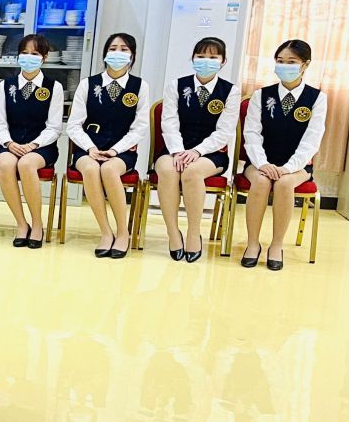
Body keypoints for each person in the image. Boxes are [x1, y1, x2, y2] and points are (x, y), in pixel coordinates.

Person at [242, 39, 325, 270]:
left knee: (284, 184)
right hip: (260, 162)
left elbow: (312, 140)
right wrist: (263, 163)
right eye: (280, 61)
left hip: (297, 166)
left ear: (305, 64)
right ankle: (252, 243)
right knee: (261, 182)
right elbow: (252, 134)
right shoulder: (261, 95)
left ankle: (276, 245)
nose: (284, 66)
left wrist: (288, 168)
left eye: (291, 62)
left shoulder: (317, 98)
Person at [155, 36, 240, 262]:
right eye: (201, 56)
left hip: (211, 153)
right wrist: (178, 150)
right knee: (168, 170)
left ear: (223, 61)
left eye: (213, 57)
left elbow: (224, 131)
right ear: (192, 58)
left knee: (192, 172)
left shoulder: (230, 91)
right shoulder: (176, 85)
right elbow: (169, 122)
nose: (206, 61)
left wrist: (197, 152)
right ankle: (173, 233)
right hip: (175, 148)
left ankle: (194, 233)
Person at [67, 32, 148, 258]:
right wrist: (91, 148)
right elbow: (74, 125)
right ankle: (105, 232)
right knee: (91, 169)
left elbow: (140, 127)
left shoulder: (139, 86)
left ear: (132, 56)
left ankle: (123, 233)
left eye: (124, 49)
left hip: (121, 150)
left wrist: (115, 150)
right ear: (104, 54)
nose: (117, 53)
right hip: (89, 147)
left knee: (110, 170)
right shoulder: (88, 84)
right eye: (113, 49)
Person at [0, 33, 63, 249]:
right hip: (10, 143)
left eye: (35, 53)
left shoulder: (54, 87)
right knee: (5, 164)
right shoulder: (6, 85)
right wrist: (9, 143)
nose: (29, 57)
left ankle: (37, 224)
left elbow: (54, 127)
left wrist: (33, 145)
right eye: (24, 53)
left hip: (41, 146)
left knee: (26, 164)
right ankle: (22, 223)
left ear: (44, 58)